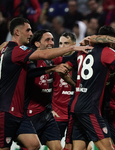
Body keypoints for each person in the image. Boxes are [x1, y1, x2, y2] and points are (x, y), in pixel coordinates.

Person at [0, 17, 92, 150]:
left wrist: (82, 50)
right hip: (11, 110)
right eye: (28, 30)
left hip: (30, 113)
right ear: (17, 32)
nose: (31, 33)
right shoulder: (19, 52)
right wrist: (72, 46)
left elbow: (65, 58)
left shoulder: (10, 48)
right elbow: (40, 61)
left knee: (34, 145)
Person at [61, 25, 115, 150]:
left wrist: (76, 85)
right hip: (90, 109)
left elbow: (62, 70)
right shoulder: (106, 52)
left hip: (76, 107)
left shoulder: (83, 50)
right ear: (111, 42)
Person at [51, 32, 77, 150]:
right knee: (55, 147)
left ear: (74, 45)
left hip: (75, 113)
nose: (62, 46)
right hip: (58, 112)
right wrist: (49, 108)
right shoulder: (54, 61)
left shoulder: (81, 61)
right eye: (60, 43)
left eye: (66, 43)